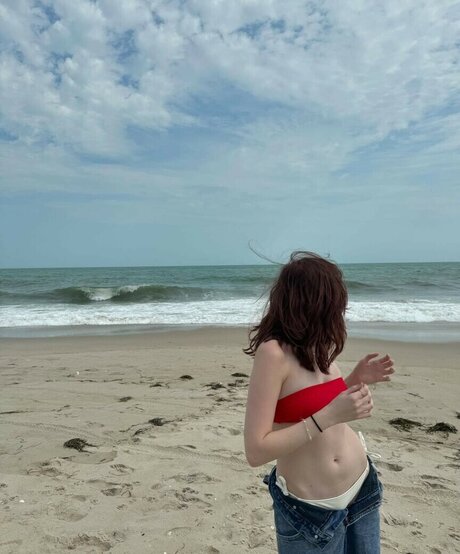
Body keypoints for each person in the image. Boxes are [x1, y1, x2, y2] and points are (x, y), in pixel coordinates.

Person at [243, 251, 395, 553]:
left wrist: (354, 380)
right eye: (334, 302)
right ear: (312, 302)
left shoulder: (318, 345)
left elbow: (315, 404)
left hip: (362, 488)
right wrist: (329, 416)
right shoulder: (273, 354)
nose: (340, 310)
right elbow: (256, 450)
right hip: (311, 512)